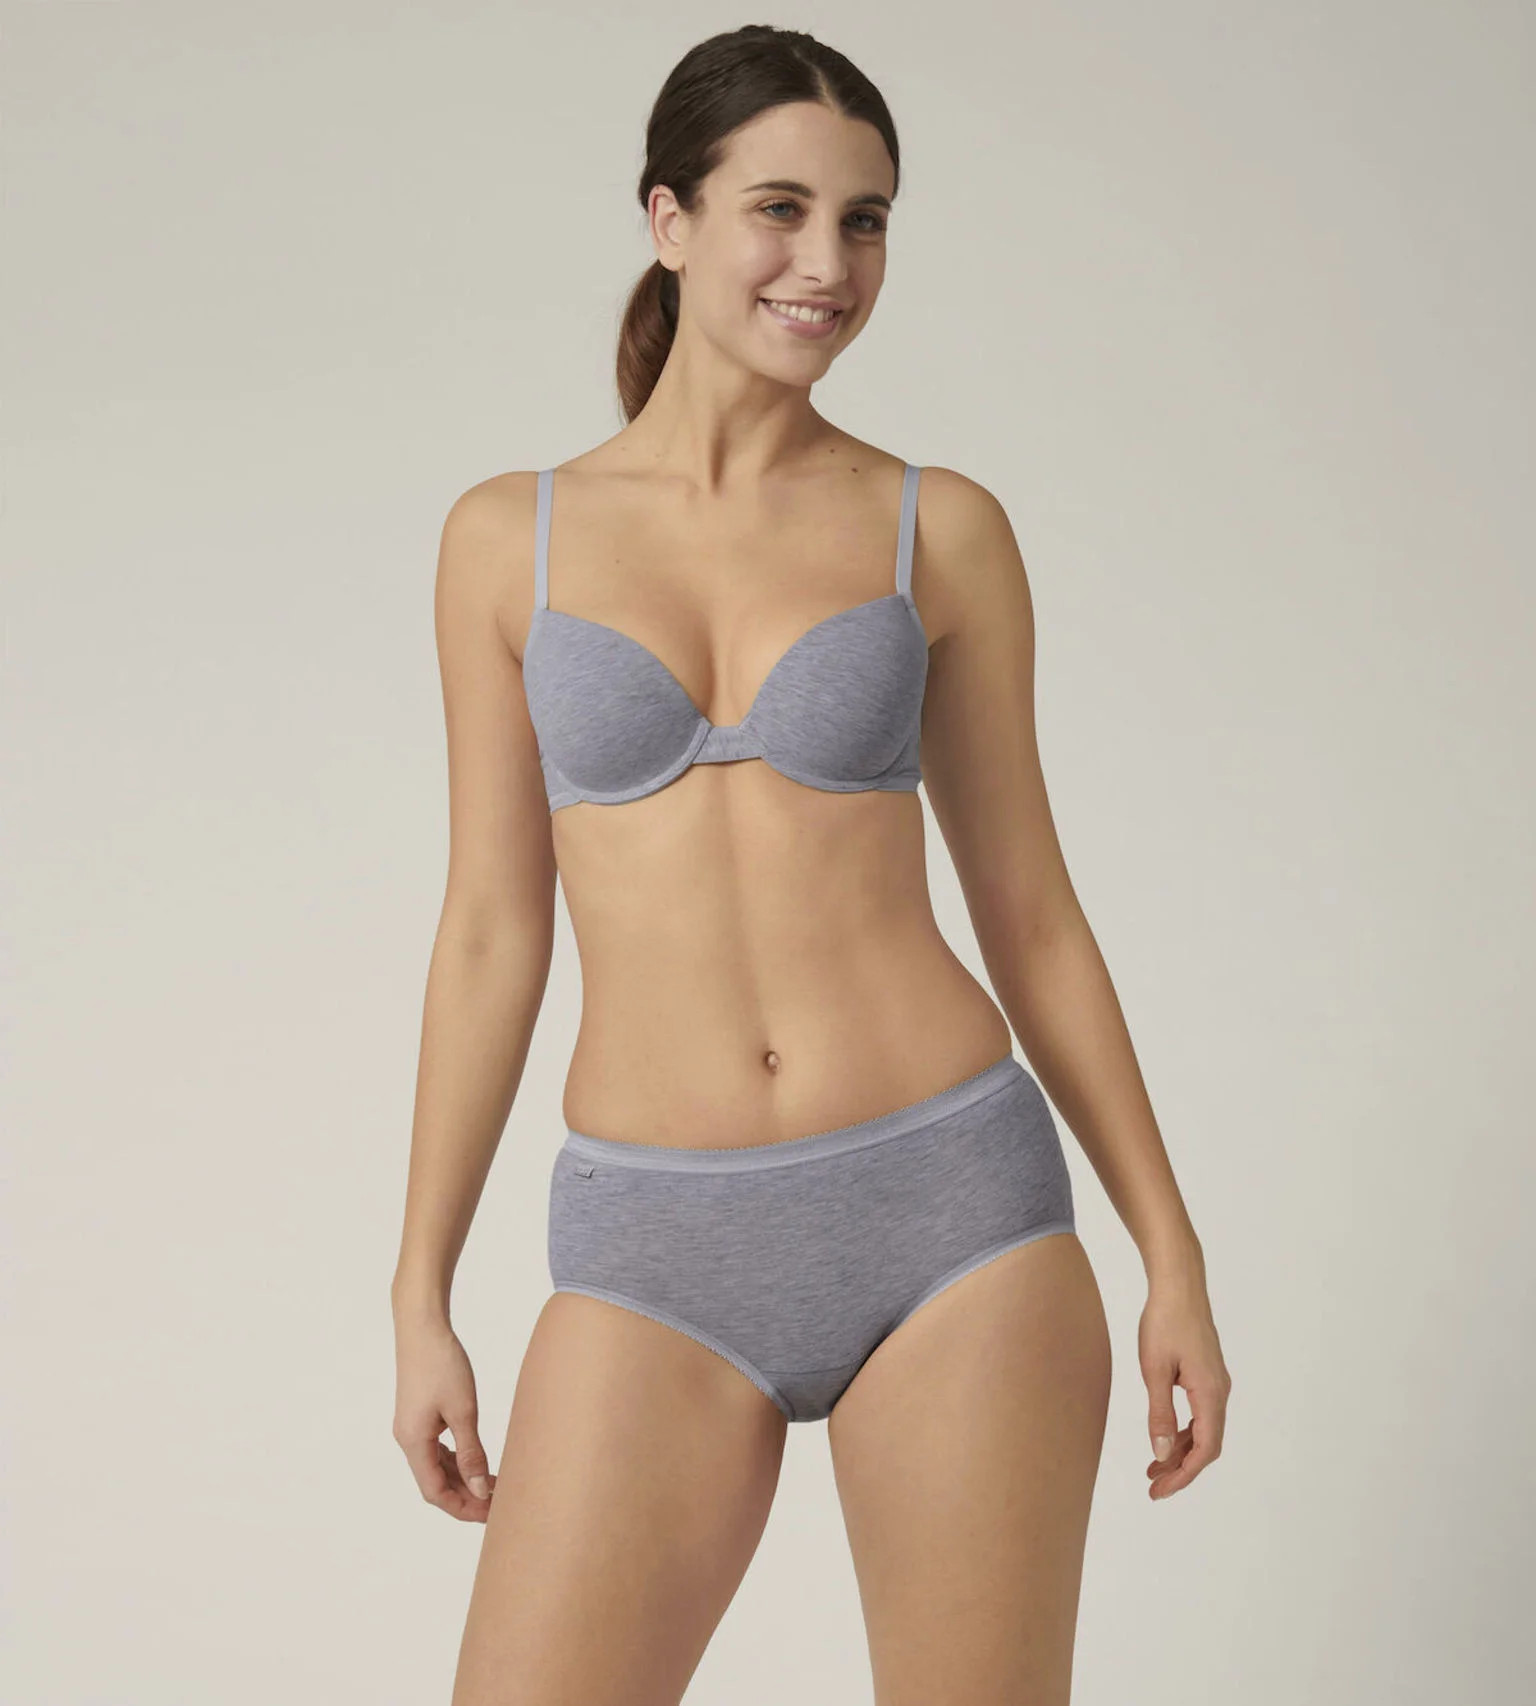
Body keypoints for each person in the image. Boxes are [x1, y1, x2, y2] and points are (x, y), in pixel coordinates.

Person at [391, 23, 1230, 1706]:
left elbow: (1034, 915)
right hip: (653, 1241)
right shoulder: (506, 540)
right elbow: (490, 932)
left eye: (865, 220)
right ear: (669, 218)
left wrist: (1173, 1251)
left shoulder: (940, 528)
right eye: (779, 208)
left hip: (955, 1216)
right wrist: (421, 1286)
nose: (827, 264)